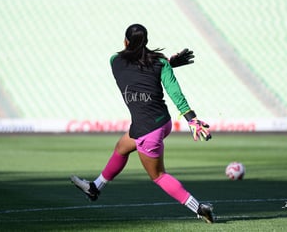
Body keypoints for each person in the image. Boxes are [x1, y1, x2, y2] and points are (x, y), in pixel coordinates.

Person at [70, 24, 214, 223]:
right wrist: (191, 118)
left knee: (159, 176)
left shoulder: (115, 61)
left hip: (148, 130)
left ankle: (198, 208)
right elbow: (174, 91)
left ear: (125, 41)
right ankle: (95, 188)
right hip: (161, 122)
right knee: (122, 147)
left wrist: (167, 63)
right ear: (146, 42)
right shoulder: (161, 63)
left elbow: (137, 68)